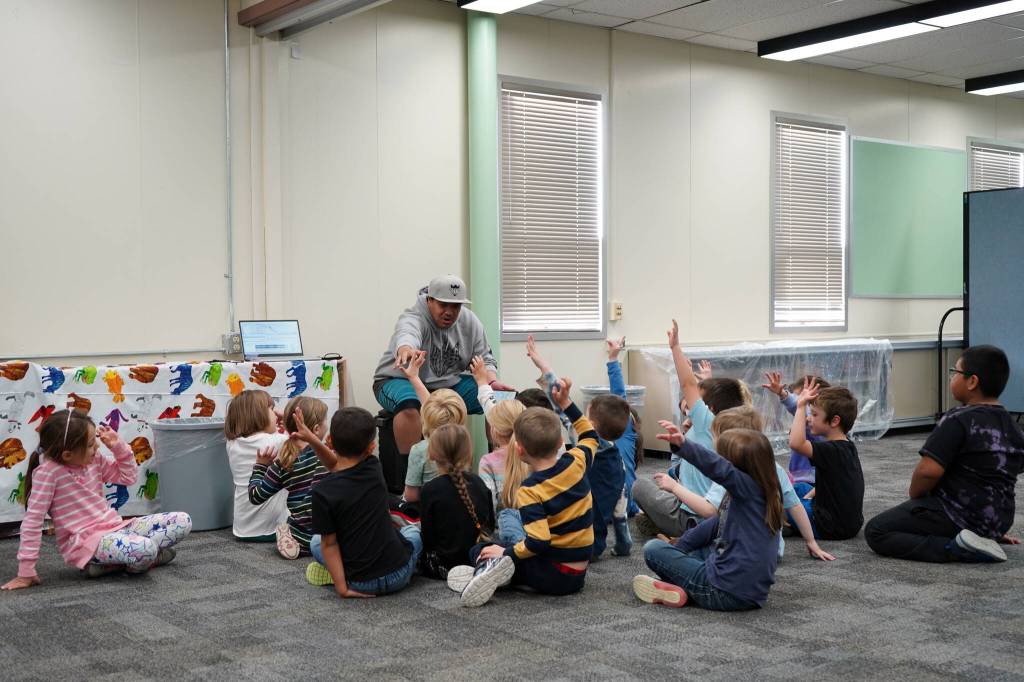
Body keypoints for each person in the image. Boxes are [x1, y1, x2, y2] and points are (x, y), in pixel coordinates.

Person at [865, 346, 1024, 562]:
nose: (952, 378)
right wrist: (990, 522)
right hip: (999, 520)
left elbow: (928, 472)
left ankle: (956, 548)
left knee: (877, 531)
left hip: (958, 515)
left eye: (955, 372)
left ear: (972, 381)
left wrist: (915, 496)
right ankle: (981, 537)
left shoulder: (958, 419)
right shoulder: (1013, 426)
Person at [3, 410, 192, 589]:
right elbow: (32, 522)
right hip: (87, 543)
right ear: (68, 455)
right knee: (147, 549)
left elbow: (127, 478)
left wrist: (119, 448)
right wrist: (26, 572)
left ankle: (112, 564)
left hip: (117, 528)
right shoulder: (48, 473)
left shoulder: (94, 459)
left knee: (183, 521)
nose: (97, 446)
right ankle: (141, 556)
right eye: (91, 444)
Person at [454, 377, 598, 607]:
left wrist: (506, 553)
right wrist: (566, 403)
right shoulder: (575, 460)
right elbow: (590, 435)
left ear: (519, 450)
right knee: (504, 542)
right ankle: (490, 572)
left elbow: (538, 542)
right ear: (561, 441)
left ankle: (486, 570)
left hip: (554, 575)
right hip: (579, 571)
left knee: (482, 549)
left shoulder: (530, 490)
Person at [632, 425, 782, 611]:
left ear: (736, 465)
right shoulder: (767, 490)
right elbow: (714, 524)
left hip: (721, 592)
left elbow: (717, 468)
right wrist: (679, 548)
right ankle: (681, 581)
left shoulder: (745, 487)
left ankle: (682, 588)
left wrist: (684, 445)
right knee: (695, 550)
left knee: (653, 549)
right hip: (753, 594)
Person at [655, 406, 834, 562]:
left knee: (667, 550)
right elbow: (795, 505)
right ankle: (677, 547)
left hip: (740, 552)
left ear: (731, 442)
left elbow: (709, 510)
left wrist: (674, 487)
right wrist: (811, 542)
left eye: (714, 435)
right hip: (772, 552)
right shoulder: (773, 468)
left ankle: (673, 551)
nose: (712, 440)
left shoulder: (733, 476)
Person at [373, 274, 511, 460]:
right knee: (410, 408)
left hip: (448, 384)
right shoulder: (414, 317)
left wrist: (491, 381)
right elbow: (407, 333)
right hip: (400, 379)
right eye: (443, 304)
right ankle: (410, 475)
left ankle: (500, 463)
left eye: (455, 306)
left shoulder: (470, 322)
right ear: (429, 300)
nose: (449, 312)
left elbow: (485, 359)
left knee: (499, 399)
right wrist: (406, 348)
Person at [632, 319, 746, 537]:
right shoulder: (730, 428)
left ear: (709, 407)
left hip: (692, 517)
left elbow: (688, 385)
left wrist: (675, 348)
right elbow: (702, 393)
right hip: (720, 518)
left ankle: (664, 525)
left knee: (639, 486)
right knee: (667, 479)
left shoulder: (707, 424)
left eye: (701, 401)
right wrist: (709, 382)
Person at [305, 407, 422, 597]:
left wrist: (343, 589)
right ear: (371, 448)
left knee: (317, 542)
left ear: (331, 442)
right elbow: (336, 465)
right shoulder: (374, 468)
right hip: (397, 576)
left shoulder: (322, 492)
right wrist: (312, 439)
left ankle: (335, 574)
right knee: (413, 533)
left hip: (358, 582)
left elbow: (329, 544)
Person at [248, 396, 329, 558]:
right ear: (317, 429)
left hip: (302, 532)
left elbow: (255, 496)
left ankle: (290, 535)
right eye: (326, 420)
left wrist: (260, 466)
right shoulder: (328, 456)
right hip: (330, 530)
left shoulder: (282, 463)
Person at [787, 380, 864, 540]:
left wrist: (801, 407)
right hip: (848, 523)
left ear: (835, 421)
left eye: (814, 415)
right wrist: (809, 495)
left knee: (787, 502)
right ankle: (790, 521)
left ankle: (781, 522)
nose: (809, 419)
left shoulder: (830, 450)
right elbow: (838, 483)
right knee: (799, 487)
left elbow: (796, 443)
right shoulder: (846, 446)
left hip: (829, 526)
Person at [419, 424, 495, 579]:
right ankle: (484, 568)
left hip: (444, 565)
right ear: (468, 452)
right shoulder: (478, 482)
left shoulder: (429, 489)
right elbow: (490, 525)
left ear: (432, 454)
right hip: (479, 556)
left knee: (411, 535)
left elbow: (428, 538)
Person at [224, 390, 290, 545]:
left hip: (242, 529)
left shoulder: (232, 444)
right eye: (272, 409)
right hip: (272, 529)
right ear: (259, 415)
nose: (276, 414)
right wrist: (287, 421)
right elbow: (306, 439)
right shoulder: (277, 442)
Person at [762, 372, 831, 485]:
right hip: (802, 477)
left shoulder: (813, 423)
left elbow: (796, 405)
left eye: (803, 398)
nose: (799, 401)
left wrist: (783, 394)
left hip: (808, 480)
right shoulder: (811, 422)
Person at [403, 388, 468, 504]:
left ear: (425, 418)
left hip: (429, 508)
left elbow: (411, 496)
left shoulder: (419, 450)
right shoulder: (464, 444)